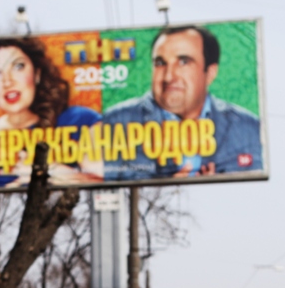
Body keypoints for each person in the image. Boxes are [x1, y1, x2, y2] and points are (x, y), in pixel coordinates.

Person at [101, 25, 262, 181]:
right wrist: (161, 184)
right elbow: (97, 177)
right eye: (160, 63)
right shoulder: (115, 123)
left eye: (183, 62)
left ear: (210, 73)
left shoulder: (248, 129)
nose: (169, 76)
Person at [0, 37, 101, 190]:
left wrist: (52, 173)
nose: (7, 82)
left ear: (37, 74)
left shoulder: (78, 121)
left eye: (18, 66)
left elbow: (108, 182)